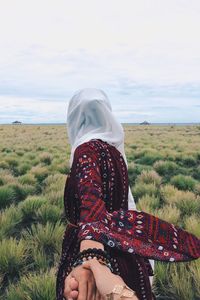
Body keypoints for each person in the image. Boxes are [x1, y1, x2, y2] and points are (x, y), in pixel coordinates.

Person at [56, 88, 200, 300]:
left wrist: (91, 254)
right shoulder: (113, 151)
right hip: (121, 247)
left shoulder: (85, 150)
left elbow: (90, 200)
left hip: (101, 252)